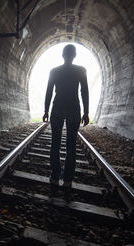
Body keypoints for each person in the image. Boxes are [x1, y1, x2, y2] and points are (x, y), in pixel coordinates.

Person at [43, 44, 89, 193]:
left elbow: (49, 92)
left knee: (55, 144)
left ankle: (55, 177)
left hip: (57, 109)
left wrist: (45, 111)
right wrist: (86, 112)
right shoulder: (81, 71)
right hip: (74, 109)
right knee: (71, 146)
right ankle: (68, 180)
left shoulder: (54, 71)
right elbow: (84, 92)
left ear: (62, 55)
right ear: (74, 55)